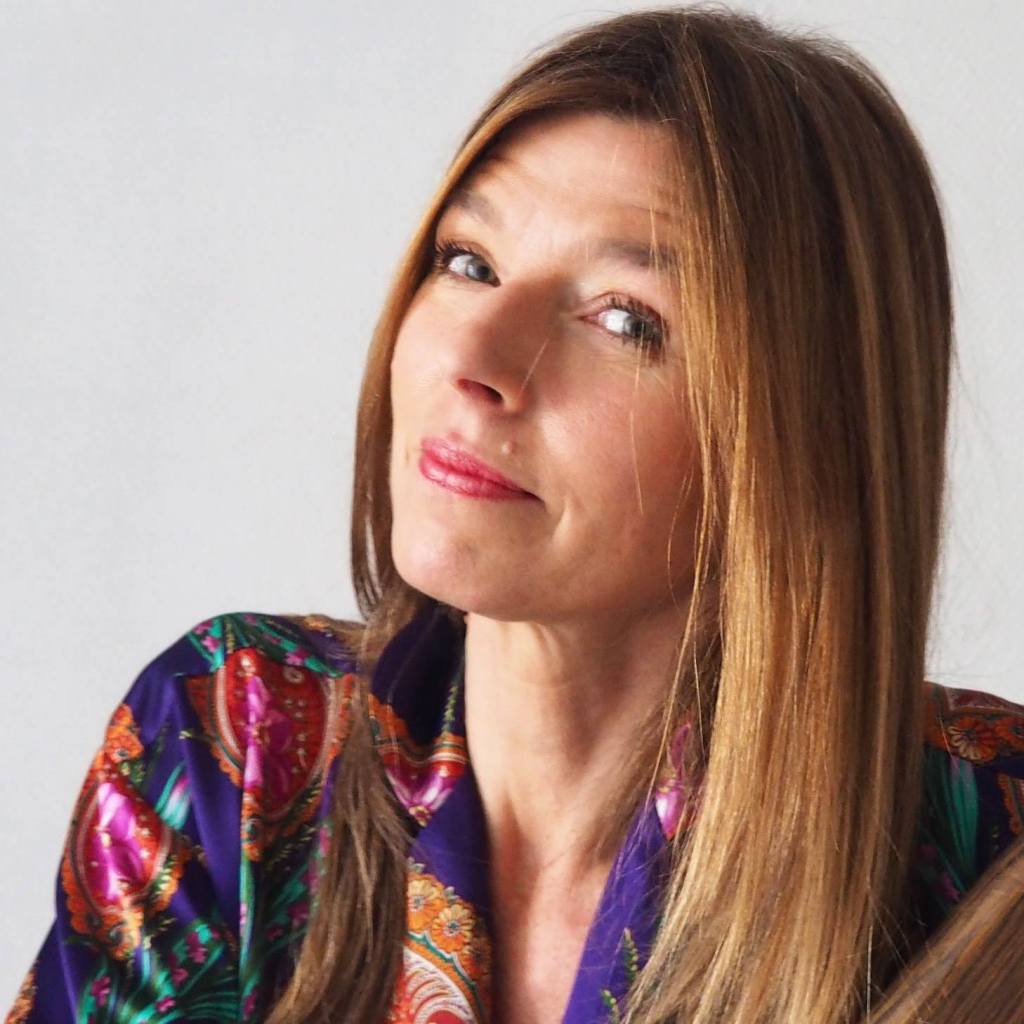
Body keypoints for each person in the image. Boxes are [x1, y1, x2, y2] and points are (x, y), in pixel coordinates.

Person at [8, 6, 1024, 1024]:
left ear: (809, 433)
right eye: (468, 262)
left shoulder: (992, 845)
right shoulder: (234, 740)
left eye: (623, 319)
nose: (474, 357)